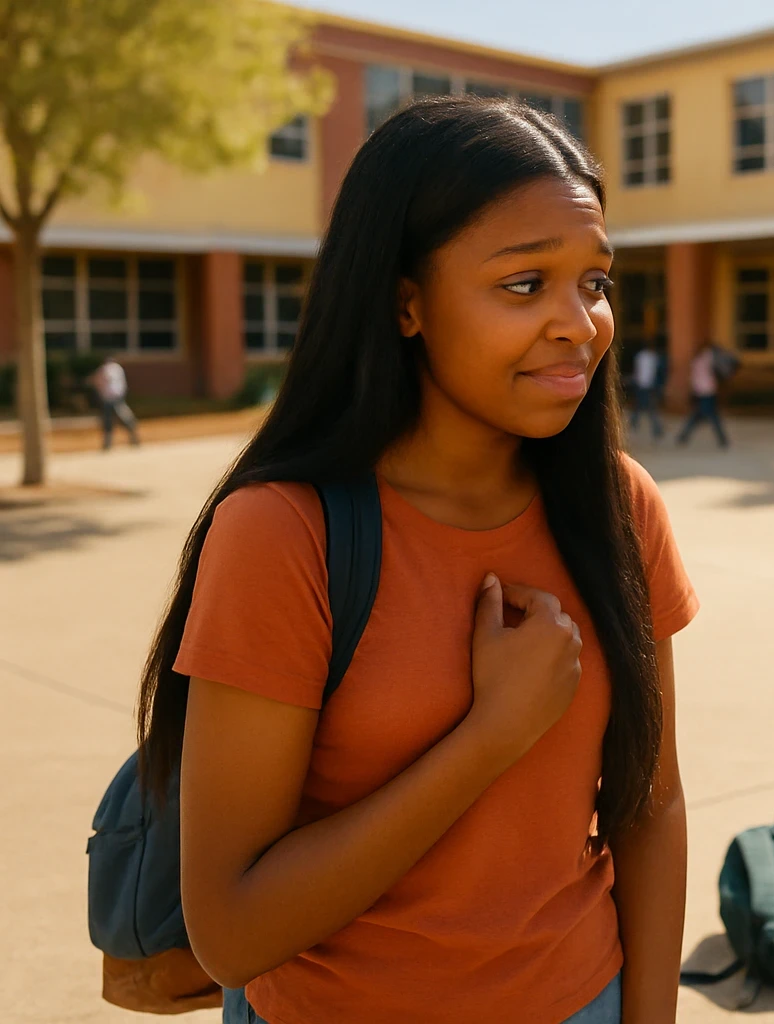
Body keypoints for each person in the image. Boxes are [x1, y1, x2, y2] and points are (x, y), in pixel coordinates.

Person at [133, 98, 698, 1024]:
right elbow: (231, 935)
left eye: (593, 282)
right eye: (524, 285)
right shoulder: (283, 533)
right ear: (406, 302)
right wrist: (488, 738)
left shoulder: (618, 505)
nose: (579, 323)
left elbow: (650, 803)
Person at [675, 340, 729, 448]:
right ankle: (722, 439)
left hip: (699, 390)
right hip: (707, 391)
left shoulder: (696, 359)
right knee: (711, 416)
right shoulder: (709, 357)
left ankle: (683, 436)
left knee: (698, 415)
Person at [91, 357, 141, 450]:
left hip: (112, 398)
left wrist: (100, 393)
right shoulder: (118, 368)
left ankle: (109, 444)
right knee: (123, 419)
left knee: (114, 420)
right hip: (116, 397)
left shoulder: (105, 369)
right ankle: (133, 439)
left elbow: (97, 381)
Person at [628, 338, 664, 441]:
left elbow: (637, 370)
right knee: (649, 408)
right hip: (648, 385)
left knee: (640, 406)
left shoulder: (640, 356)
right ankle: (656, 429)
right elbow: (657, 372)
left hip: (641, 384)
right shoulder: (653, 357)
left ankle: (634, 423)